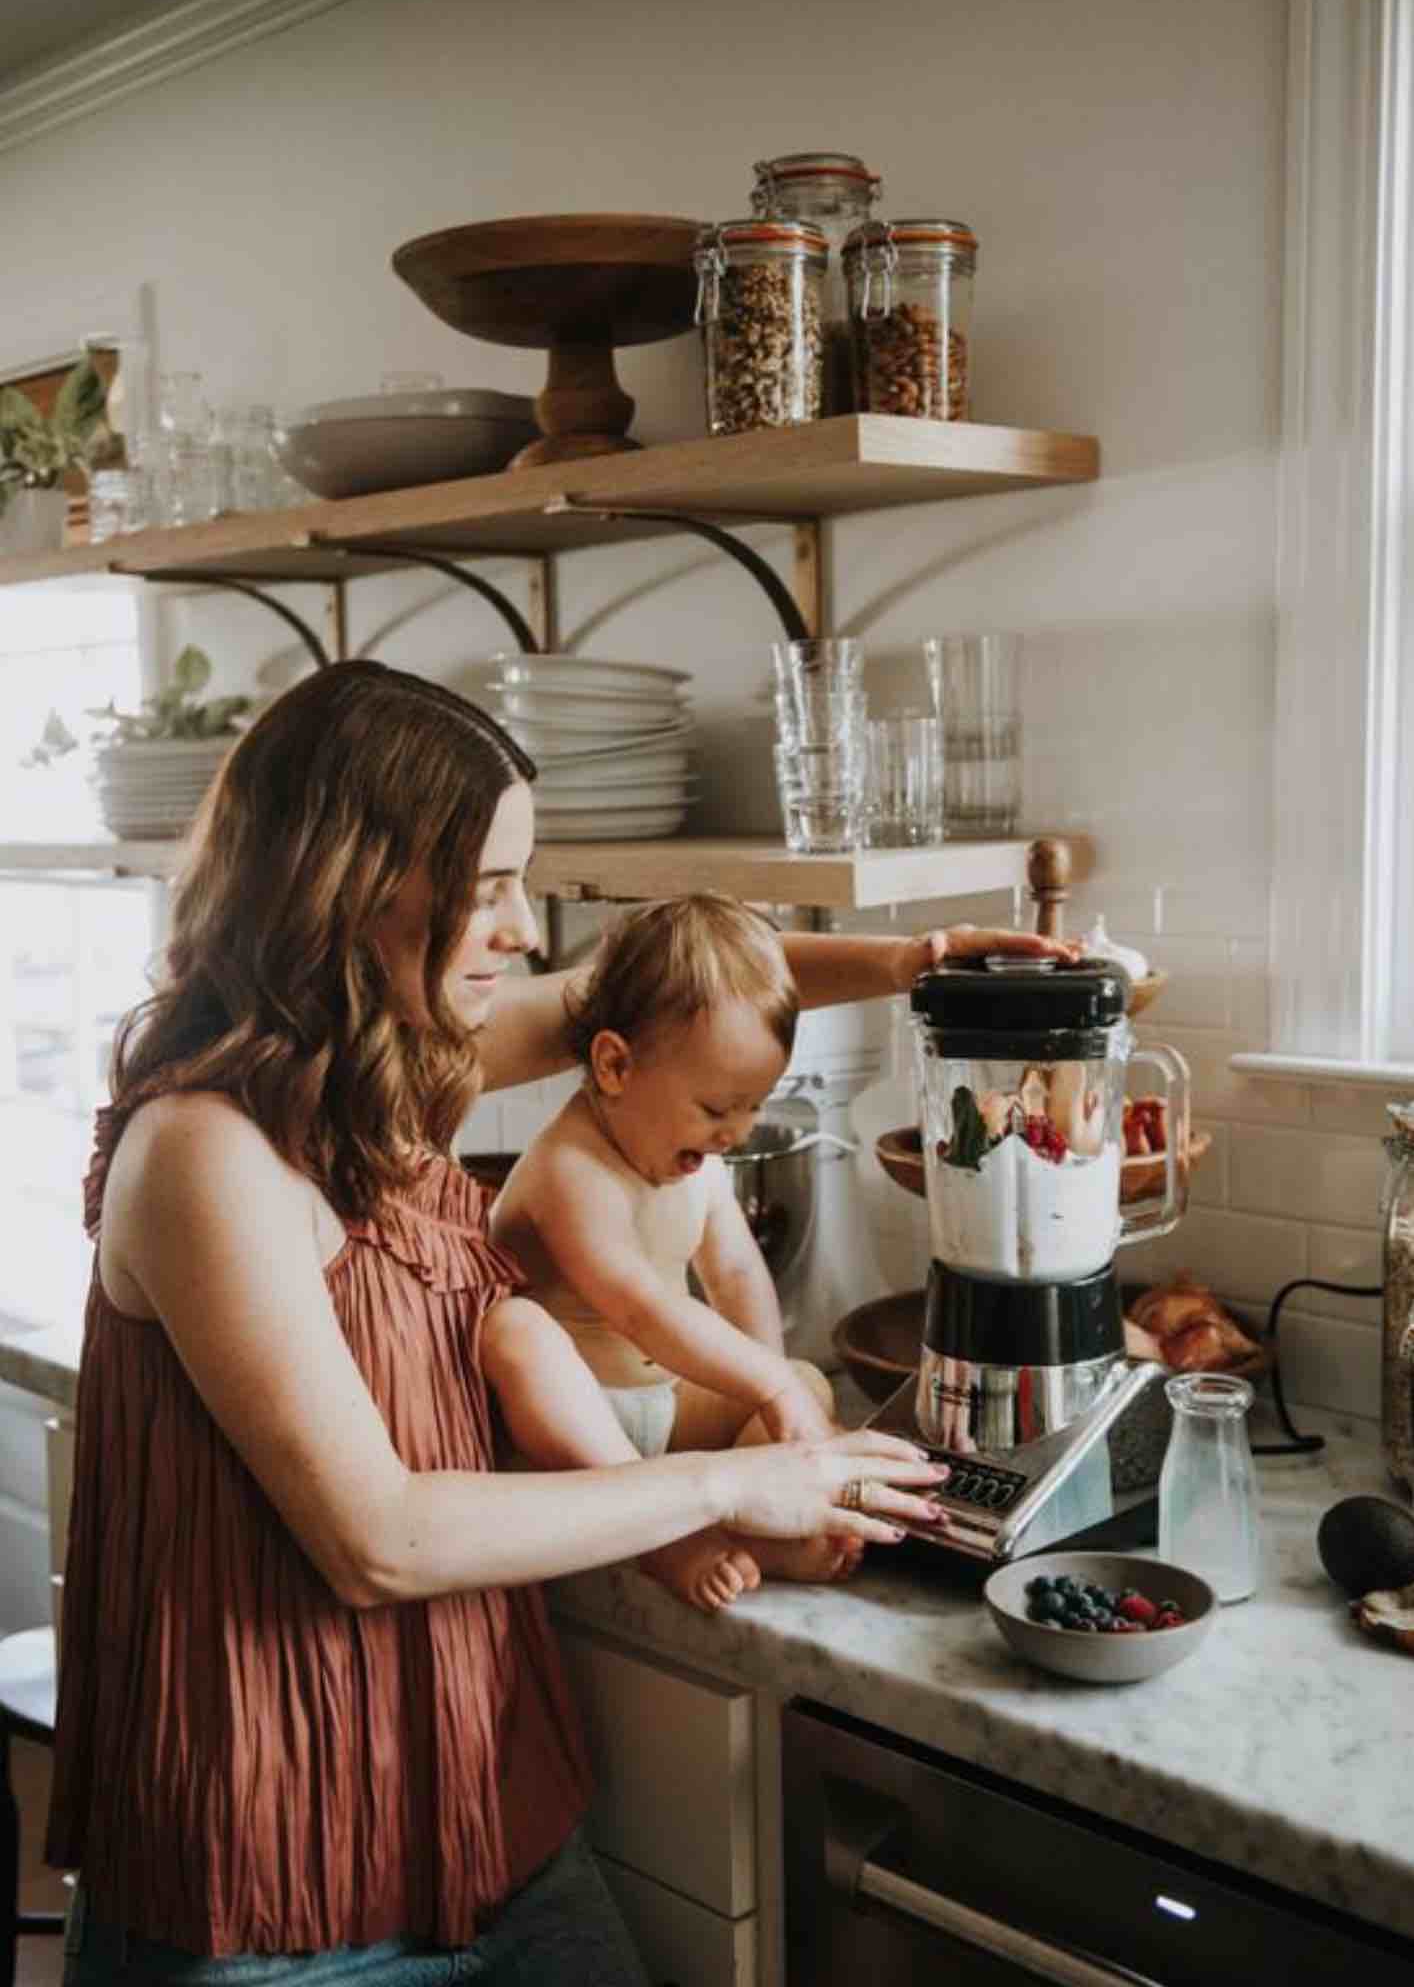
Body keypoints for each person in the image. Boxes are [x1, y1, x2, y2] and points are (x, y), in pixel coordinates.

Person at [45, 658, 1065, 1983]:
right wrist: (738, 1478)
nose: (522, 929)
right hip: (264, 1876)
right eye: (484, 890)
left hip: (481, 1818)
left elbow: (639, 996)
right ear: (344, 886)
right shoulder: (207, 1152)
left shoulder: (389, 1076)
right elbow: (379, 1539)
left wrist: (914, 964)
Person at [491, 894, 863, 1613]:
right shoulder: (572, 1172)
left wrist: (778, 1413)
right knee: (518, 1342)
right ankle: (657, 1539)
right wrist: (765, 1386)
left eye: (755, 1105)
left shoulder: (699, 1164)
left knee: (809, 1382)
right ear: (614, 1066)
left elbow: (734, 1273)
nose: (737, 1132)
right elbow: (639, 1308)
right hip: (572, 1443)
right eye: (718, 1107)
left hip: (662, 1412)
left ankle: (753, 1520)